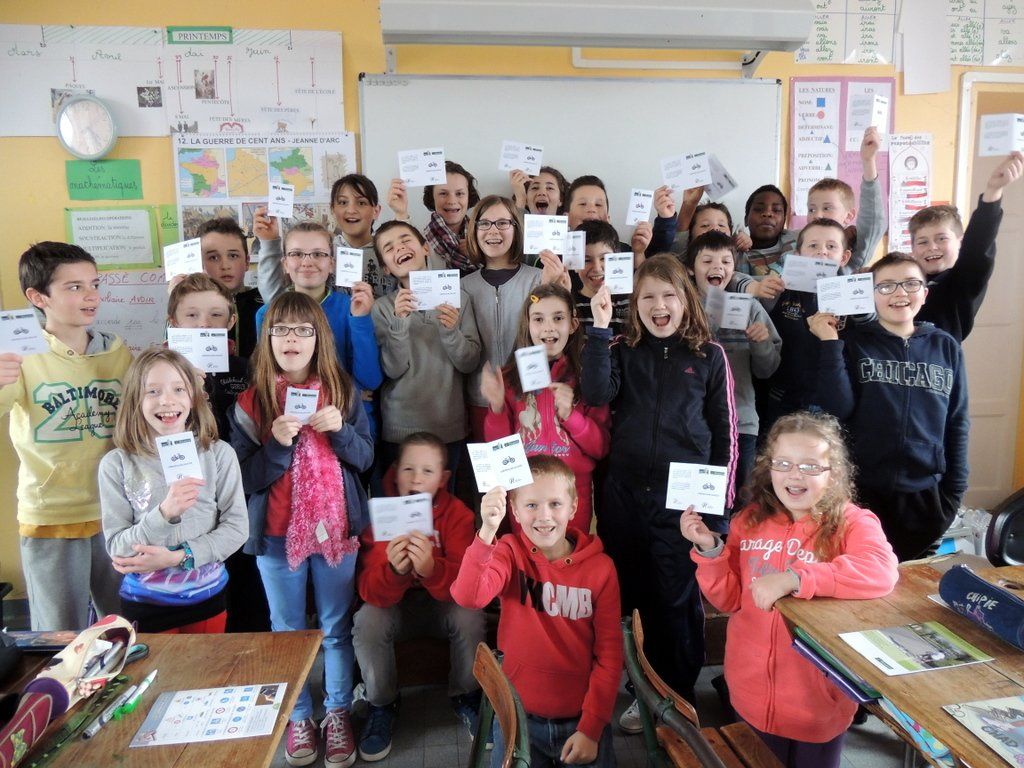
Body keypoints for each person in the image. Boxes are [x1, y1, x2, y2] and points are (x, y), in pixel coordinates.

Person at [681, 411, 898, 768]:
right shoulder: (748, 521)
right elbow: (729, 599)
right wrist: (710, 550)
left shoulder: (852, 522)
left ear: (833, 473)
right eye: (783, 463)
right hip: (749, 694)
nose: (795, 475)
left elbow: (881, 570)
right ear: (769, 468)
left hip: (819, 704)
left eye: (810, 466)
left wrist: (796, 578)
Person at [581, 254, 736, 723]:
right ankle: (641, 688)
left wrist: (716, 515)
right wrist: (599, 329)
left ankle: (677, 695)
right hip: (624, 498)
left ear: (686, 299)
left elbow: (726, 437)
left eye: (668, 294)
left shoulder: (710, 356)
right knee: (631, 597)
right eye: (647, 296)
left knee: (675, 600)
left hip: (683, 504)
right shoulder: (622, 348)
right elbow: (595, 393)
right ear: (635, 305)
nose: (659, 305)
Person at [230, 292, 373, 768]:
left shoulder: (343, 391)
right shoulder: (251, 402)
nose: (291, 339)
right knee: (287, 631)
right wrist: (275, 444)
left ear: (319, 338)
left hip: (336, 531)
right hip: (275, 536)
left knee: (335, 628)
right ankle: (298, 716)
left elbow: (365, 458)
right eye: (281, 329)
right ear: (267, 337)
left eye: (303, 330)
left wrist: (341, 432)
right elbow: (244, 480)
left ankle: (337, 712)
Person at [452, 455, 623, 768]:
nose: (544, 516)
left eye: (555, 504)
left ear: (573, 507)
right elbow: (468, 596)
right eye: (531, 505)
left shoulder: (601, 569)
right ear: (515, 511)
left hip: (582, 720)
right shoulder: (508, 551)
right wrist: (487, 531)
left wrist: (591, 727)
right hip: (518, 719)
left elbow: (610, 654)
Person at [0, 242, 130, 631]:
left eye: (94, 284)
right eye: (74, 287)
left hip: (115, 512)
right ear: (38, 297)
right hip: (51, 514)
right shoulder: (20, 355)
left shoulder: (118, 353)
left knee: (125, 627)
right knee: (58, 634)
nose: (91, 296)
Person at [807, 252, 969, 561]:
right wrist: (830, 343)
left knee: (912, 585)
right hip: (861, 493)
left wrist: (953, 495)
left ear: (925, 292)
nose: (899, 293)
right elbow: (836, 409)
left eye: (910, 283)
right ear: (871, 295)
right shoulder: (854, 343)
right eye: (886, 286)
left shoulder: (946, 346)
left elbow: (958, 422)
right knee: (861, 579)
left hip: (926, 499)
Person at [352, 432, 485, 762]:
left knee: (469, 616)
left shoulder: (458, 514)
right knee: (367, 621)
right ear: (395, 472)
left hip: (442, 606)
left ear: (443, 478)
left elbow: (467, 584)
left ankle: (466, 694)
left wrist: (432, 569)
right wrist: (394, 571)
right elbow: (368, 590)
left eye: (428, 471)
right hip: (396, 608)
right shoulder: (381, 515)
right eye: (408, 469)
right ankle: (382, 703)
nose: (416, 479)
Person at [99, 347, 248, 633]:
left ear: (193, 397)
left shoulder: (219, 454)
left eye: (179, 389)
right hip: (145, 603)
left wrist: (180, 557)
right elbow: (118, 547)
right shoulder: (116, 464)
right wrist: (164, 514)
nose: (167, 400)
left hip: (207, 598)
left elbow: (237, 529)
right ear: (135, 399)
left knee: (207, 662)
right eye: (152, 391)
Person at [166, 273, 269, 632]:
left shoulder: (246, 370)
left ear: (230, 321)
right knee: (199, 600)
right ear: (174, 322)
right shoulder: (160, 375)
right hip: (187, 502)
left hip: (241, 496)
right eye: (191, 315)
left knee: (248, 591)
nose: (203, 324)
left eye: (214, 315)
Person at [481, 283, 610, 533]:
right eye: (538, 319)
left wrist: (571, 416)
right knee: (526, 555)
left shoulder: (587, 378)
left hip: (573, 493)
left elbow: (600, 447)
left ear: (573, 324)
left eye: (558, 318)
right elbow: (499, 451)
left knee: (571, 552)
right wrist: (496, 407)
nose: (548, 327)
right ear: (527, 325)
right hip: (525, 493)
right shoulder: (509, 379)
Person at [252, 217, 383, 439]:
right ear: (285, 263)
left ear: (331, 263)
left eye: (318, 254)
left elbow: (370, 380)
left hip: (348, 427)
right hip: (291, 426)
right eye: (297, 254)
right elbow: (268, 376)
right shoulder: (268, 314)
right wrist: (347, 391)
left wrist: (360, 320)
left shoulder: (352, 307)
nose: (307, 261)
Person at [370, 220, 480, 479]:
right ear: (386, 268)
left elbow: (469, 363)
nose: (400, 248)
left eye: (405, 240)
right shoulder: (383, 308)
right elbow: (392, 370)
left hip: (448, 427)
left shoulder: (458, 298)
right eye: (389, 247)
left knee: (446, 501)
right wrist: (399, 324)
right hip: (400, 430)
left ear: (425, 248)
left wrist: (450, 332)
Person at [683, 231, 781, 490]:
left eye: (726, 262)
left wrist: (761, 344)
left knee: (739, 501)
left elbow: (767, 370)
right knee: (695, 501)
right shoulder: (680, 308)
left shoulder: (749, 307)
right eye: (707, 261)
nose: (717, 267)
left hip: (741, 424)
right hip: (691, 422)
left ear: (734, 269)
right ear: (691, 269)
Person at [909, 151, 1022, 342]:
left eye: (941, 239)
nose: (932, 247)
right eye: (922, 242)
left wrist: (993, 191)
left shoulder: (963, 280)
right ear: (913, 249)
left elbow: (978, 247)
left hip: (940, 358)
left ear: (960, 242)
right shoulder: (907, 279)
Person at [758, 218, 854, 433]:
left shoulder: (853, 297)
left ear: (844, 257)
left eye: (831, 246)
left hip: (830, 401)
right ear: (797, 255)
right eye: (813, 245)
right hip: (783, 399)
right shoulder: (781, 291)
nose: (822, 252)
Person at [461, 195, 543, 439]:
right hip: (482, 398)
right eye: (484, 223)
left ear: (516, 229)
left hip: (529, 397)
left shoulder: (537, 279)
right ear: (474, 231)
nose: (493, 230)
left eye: (502, 223)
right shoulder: (464, 286)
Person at [387, 160, 482, 274]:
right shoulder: (421, 241)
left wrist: (480, 254)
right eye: (443, 193)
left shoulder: (483, 237)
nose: (452, 201)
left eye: (459, 194)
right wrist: (400, 212)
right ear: (432, 198)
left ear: (469, 197)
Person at [196, 218, 263, 359]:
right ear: (199, 263)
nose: (225, 266)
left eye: (233, 256)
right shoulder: (189, 309)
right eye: (213, 257)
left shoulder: (265, 302)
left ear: (247, 262)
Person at [329, 174, 396, 299]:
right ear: (333, 209)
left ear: (376, 211)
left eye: (361, 203)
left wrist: (401, 214)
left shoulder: (388, 251)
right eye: (343, 202)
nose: (351, 210)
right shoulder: (324, 252)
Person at [572, 221, 631, 331]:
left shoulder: (632, 302)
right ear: (575, 265)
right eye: (587, 260)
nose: (597, 268)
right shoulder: (569, 305)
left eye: (604, 258)